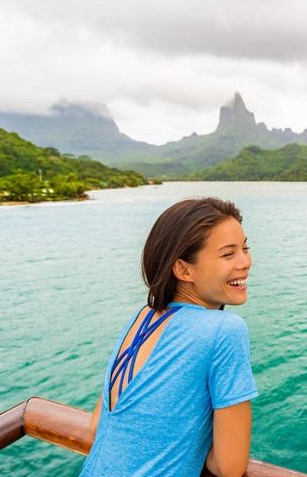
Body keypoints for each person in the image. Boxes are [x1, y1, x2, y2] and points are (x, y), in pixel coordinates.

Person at [79, 197, 258, 477]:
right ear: (183, 269)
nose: (245, 262)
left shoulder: (142, 318)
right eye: (228, 254)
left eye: (244, 248)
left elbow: (96, 426)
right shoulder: (225, 330)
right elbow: (229, 467)